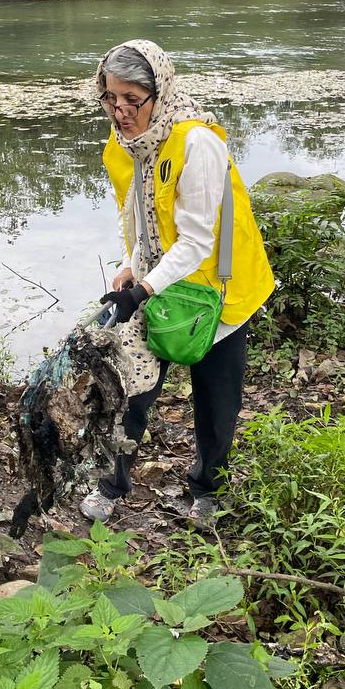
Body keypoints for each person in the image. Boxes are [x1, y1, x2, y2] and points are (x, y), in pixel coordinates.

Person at [80, 39, 274, 525]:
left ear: (159, 92)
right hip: (158, 283)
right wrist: (130, 264)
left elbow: (197, 240)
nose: (120, 111)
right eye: (110, 97)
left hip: (217, 292)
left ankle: (207, 490)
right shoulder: (128, 143)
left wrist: (143, 289)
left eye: (131, 99)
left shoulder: (196, 142)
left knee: (216, 400)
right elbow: (140, 218)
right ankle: (112, 485)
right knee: (130, 390)